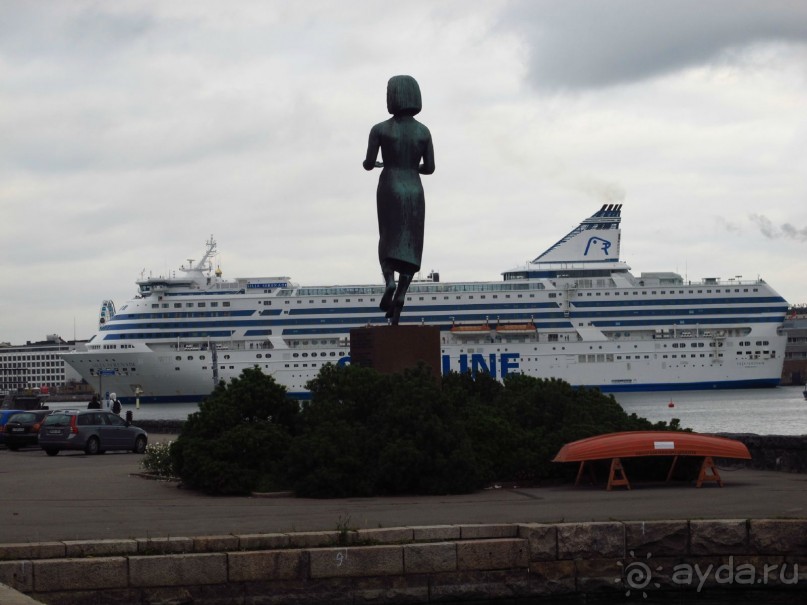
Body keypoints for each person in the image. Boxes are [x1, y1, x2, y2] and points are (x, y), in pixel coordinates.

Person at [363, 75, 435, 325]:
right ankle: (402, 293)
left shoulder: (380, 129)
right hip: (414, 187)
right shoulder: (423, 131)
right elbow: (431, 168)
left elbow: (368, 164)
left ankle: (390, 281)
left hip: (390, 184)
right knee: (412, 243)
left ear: (392, 97)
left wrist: (379, 163)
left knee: (388, 237)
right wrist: (412, 167)